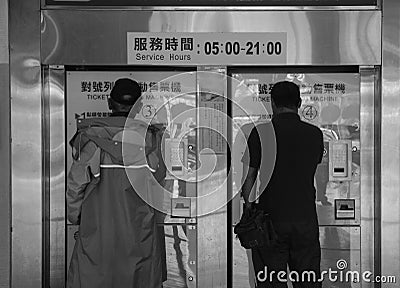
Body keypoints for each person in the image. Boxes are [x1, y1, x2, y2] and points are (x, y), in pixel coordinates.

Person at [66, 78, 167, 288]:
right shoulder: (151, 142)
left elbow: (75, 184)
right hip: (139, 232)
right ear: (139, 106)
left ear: (109, 103)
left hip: (97, 232)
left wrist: (77, 217)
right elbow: (159, 186)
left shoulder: (90, 139)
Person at [241, 81, 324, 288]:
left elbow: (249, 177)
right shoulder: (315, 134)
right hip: (305, 220)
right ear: (299, 102)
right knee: (307, 282)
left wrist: (249, 207)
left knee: (271, 282)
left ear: (273, 103)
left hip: (270, 222)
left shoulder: (260, 133)